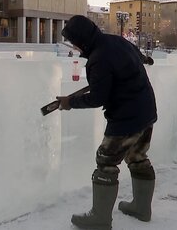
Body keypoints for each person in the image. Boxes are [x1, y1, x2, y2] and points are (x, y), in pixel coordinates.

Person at [56, 15, 157, 230]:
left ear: (82, 39)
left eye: (73, 40)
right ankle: (141, 208)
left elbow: (97, 97)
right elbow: (137, 56)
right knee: (138, 157)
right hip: (146, 110)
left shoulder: (98, 59)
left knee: (106, 161)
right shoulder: (116, 41)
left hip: (126, 117)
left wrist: (69, 102)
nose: (73, 45)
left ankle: (100, 218)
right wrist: (145, 60)